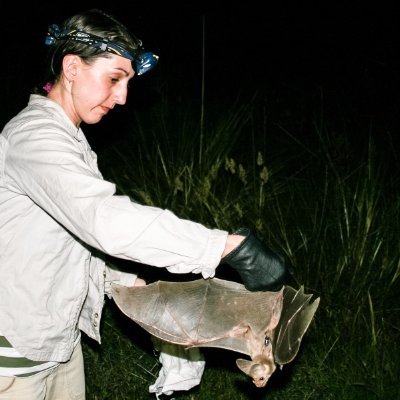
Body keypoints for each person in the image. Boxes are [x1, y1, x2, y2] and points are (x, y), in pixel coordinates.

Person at [0, 8, 292, 400]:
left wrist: (147, 298)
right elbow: (103, 221)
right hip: (16, 350)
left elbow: (75, 242)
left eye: (127, 83)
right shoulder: (35, 139)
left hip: (58, 343)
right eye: (114, 79)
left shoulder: (69, 140)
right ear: (72, 69)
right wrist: (227, 247)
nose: (122, 97)